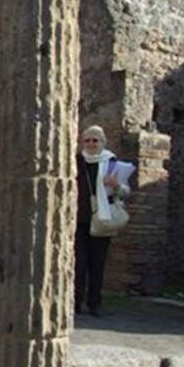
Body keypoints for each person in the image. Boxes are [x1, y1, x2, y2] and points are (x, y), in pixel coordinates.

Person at [74, 125, 129, 316]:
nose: (90, 143)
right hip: (79, 220)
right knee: (77, 264)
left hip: (101, 220)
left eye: (94, 140)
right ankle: (75, 302)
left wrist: (116, 185)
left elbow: (125, 192)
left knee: (97, 264)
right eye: (87, 140)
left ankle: (94, 303)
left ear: (102, 142)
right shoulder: (77, 161)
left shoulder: (110, 161)